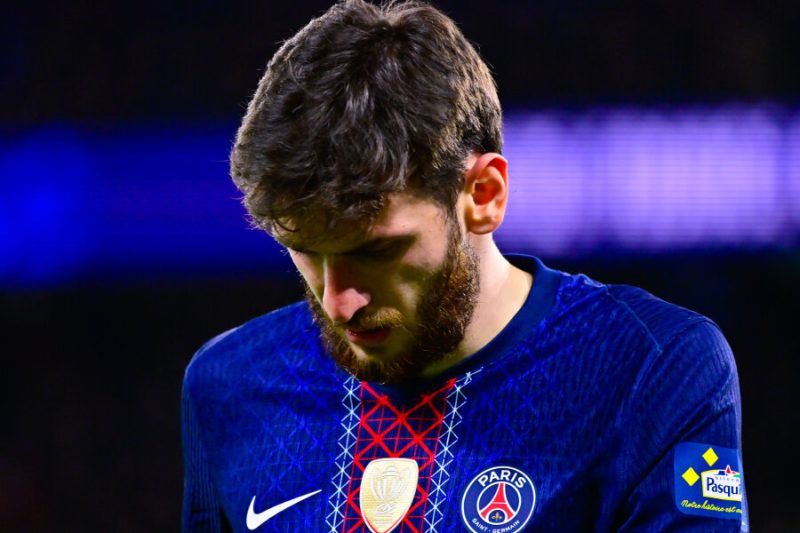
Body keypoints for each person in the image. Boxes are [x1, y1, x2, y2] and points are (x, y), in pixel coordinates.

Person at [181, 1, 748, 531]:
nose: (338, 302)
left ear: (483, 194)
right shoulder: (229, 386)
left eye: (376, 251)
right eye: (304, 249)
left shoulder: (651, 367)